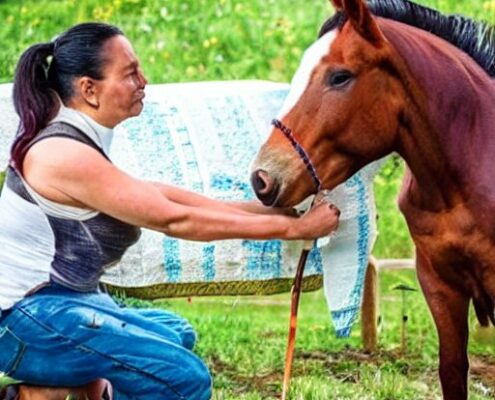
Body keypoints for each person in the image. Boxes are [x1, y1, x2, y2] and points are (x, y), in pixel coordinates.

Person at [0, 22, 340, 400]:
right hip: (22, 320)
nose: (143, 81)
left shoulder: (78, 138)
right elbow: (172, 218)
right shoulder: (63, 154)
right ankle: (57, 389)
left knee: (176, 333)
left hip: (60, 304)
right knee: (183, 378)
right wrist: (296, 230)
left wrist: (274, 214)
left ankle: (64, 388)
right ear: (89, 90)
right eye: (130, 73)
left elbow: (161, 197)